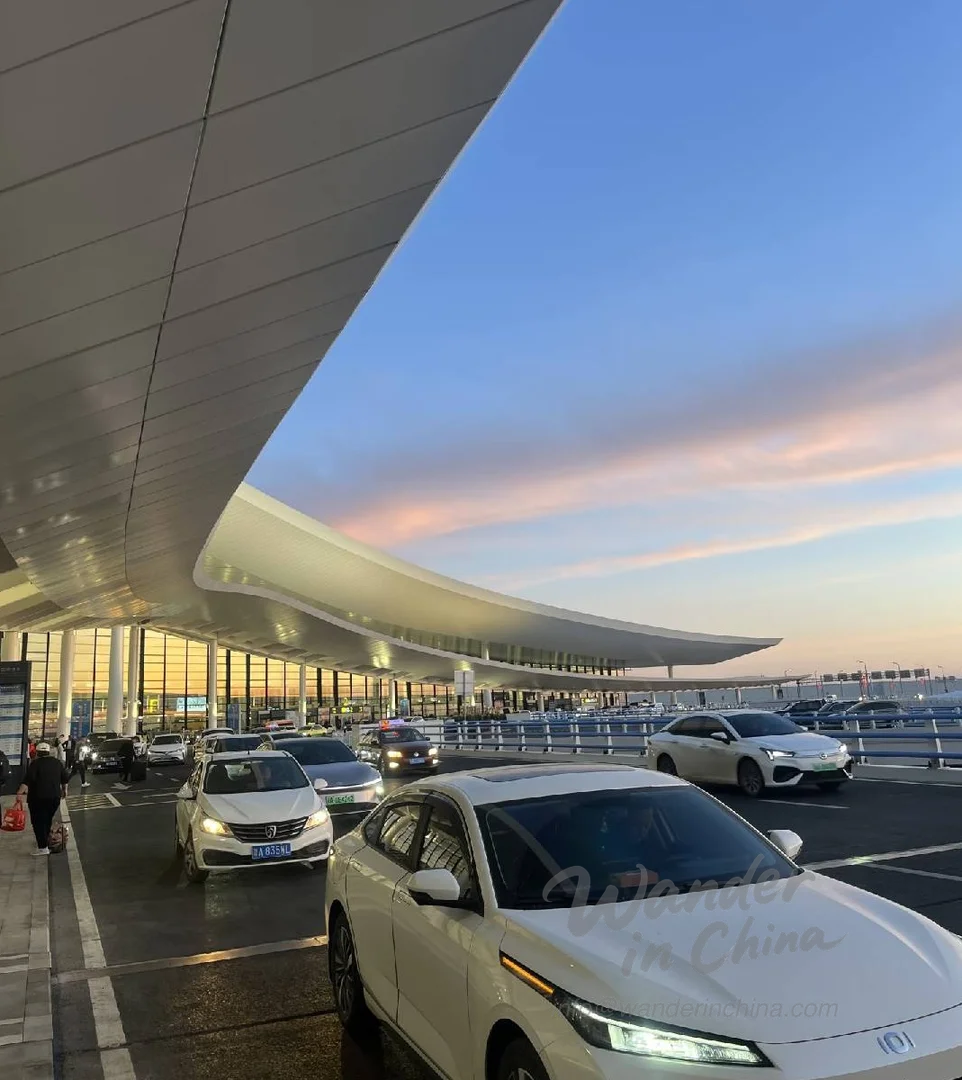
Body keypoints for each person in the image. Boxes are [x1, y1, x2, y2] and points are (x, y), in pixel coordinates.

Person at [16, 742, 69, 855]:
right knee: (47, 820)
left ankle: (43, 847)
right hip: (54, 798)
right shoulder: (57, 763)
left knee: (38, 822)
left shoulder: (35, 764)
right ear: (48, 752)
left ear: (38, 752)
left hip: (38, 799)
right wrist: (65, 791)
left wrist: (19, 793)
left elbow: (27, 781)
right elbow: (65, 779)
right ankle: (45, 842)